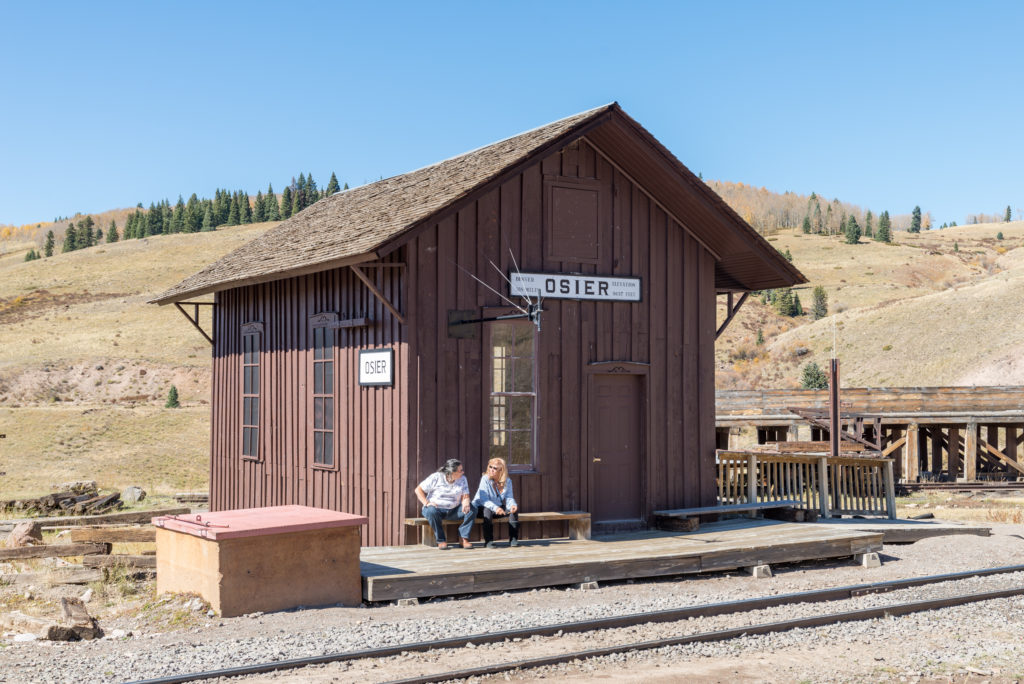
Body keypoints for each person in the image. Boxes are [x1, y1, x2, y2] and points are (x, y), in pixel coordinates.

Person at [415, 459, 475, 549]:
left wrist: (466, 501)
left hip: (454, 510)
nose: (463, 472)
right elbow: (418, 490)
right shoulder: (436, 477)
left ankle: (463, 539)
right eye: (460, 470)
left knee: (472, 509)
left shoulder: (463, 479)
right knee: (431, 512)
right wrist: (426, 503)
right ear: (451, 472)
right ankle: (441, 540)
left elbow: (465, 495)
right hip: (436, 509)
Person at [473, 457, 519, 548]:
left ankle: (513, 539)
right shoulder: (485, 479)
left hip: (497, 508)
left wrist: (513, 505)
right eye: (490, 467)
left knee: (513, 510)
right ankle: (488, 541)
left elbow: (509, 497)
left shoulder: (508, 481)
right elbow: (484, 500)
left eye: (494, 468)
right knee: (487, 510)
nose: (491, 470)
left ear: (501, 470)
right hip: (479, 508)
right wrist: (496, 508)